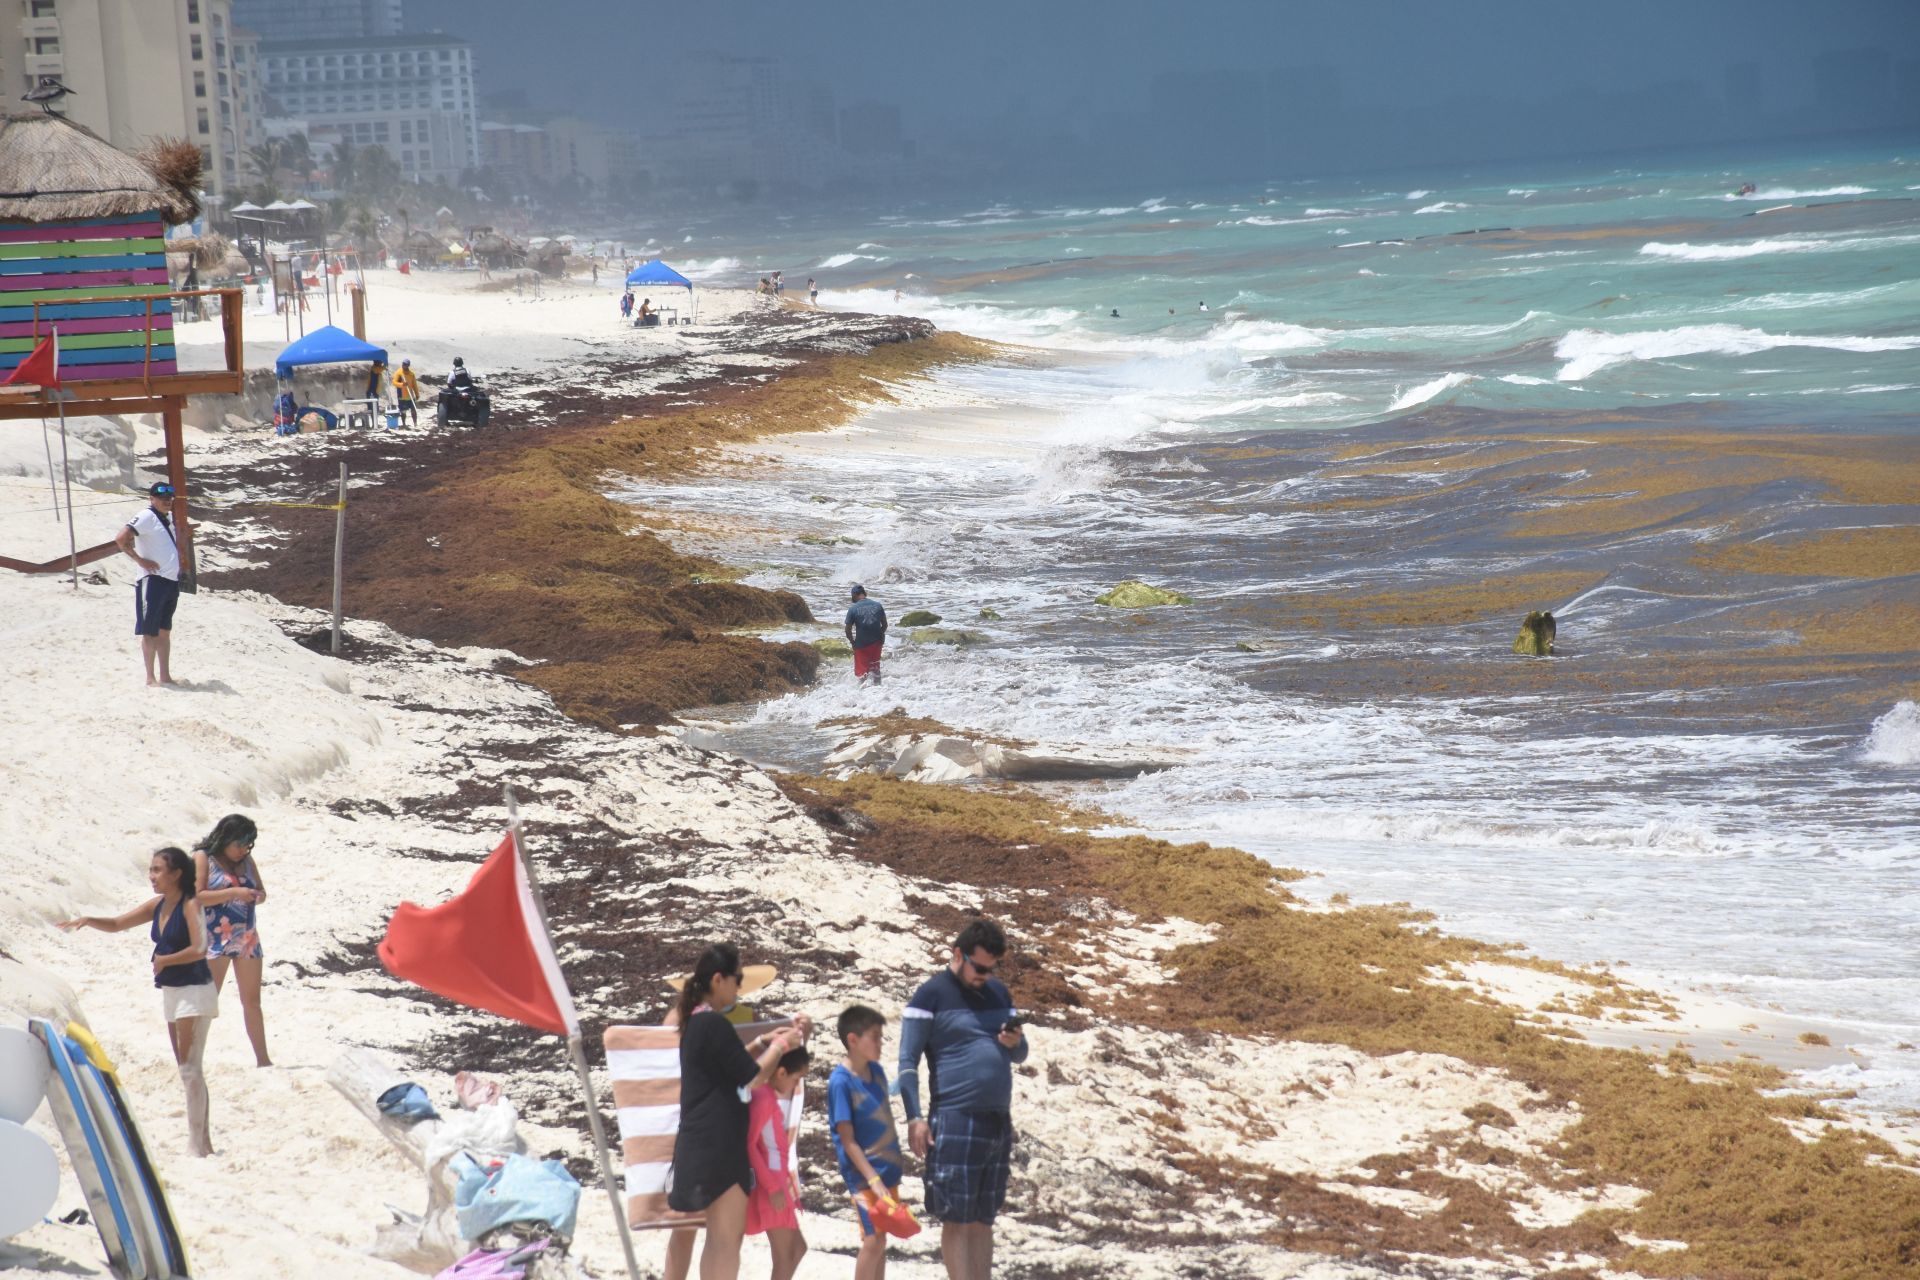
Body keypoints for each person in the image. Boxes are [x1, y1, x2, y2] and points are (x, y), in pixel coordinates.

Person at [59, 847, 218, 1156]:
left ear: (176, 874)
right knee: (186, 1067)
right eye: (151, 869)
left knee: (190, 1068)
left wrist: (165, 960)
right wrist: (90, 920)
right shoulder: (159, 905)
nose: (152, 876)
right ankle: (203, 1142)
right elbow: (119, 924)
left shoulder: (190, 904)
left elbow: (200, 948)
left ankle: (199, 1145)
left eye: (158, 870)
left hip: (195, 990)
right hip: (173, 991)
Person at [897, 919, 1027, 1280]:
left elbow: (1021, 1053)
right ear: (958, 954)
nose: (985, 975)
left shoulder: (999, 993)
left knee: (984, 1218)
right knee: (956, 1216)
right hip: (954, 1119)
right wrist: (914, 1118)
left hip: (998, 1120)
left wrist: (1016, 1043)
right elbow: (907, 1061)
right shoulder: (930, 995)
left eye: (992, 968)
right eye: (979, 967)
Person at [668, 943, 806, 1280]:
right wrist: (780, 1046)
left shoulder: (695, 1023)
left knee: (713, 1240)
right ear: (719, 979)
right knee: (725, 1241)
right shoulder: (714, 1023)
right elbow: (753, 1075)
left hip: (696, 1142)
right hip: (721, 1145)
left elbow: (727, 1064)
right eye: (737, 979)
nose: (739, 987)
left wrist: (761, 1043)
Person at [831, 1005, 907, 1280]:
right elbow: (847, 1140)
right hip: (864, 1176)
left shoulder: (876, 1072)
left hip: (888, 1173)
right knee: (872, 1240)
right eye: (874, 1036)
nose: (880, 1043)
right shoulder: (840, 1082)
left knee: (881, 1240)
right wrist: (872, 1178)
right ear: (853, 1040)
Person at [193, 814, 270, 1067]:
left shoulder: (247, 861)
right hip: (215, 938)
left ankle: (263, 1060)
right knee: (207, 1001)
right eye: (239, 844)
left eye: (248, 845)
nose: (243, 850)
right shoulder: (204, 858)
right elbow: (199, 895)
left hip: (247, 937)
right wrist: (235, 892)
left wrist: (256, 895)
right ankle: (192, 1057)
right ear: (225, 838)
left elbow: (262, 891)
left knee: (252, 1002)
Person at [746, 1046, 810, 1280]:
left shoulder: (767, 1096)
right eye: (796, 1079)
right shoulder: (763, 1098)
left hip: (778, 1181)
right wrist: (772, 1187)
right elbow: (750, 1145)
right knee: (785, 1255)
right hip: (771, 1184)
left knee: (798, 1248)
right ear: (781, 1073)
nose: (796, 1085)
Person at [115, 481, 182, 686]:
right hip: (152, 581)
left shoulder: (167, 518)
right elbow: (121, 538)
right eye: (162, 498)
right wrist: (139, 560)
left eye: (169, 498)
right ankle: (150, 677)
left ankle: (165, 675)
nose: (167, 501)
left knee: (164, 630)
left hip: (170, 581)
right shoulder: (146, 516)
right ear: (152, 499)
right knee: (149, 630)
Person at [844, 584, 887, 686]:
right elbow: (885, 625)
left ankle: (863, 696)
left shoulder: (853, 609)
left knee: (862, 674)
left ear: (854, 595)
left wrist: (852, 642)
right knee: (875, 669)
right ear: (864, 593)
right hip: (877, 642)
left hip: (861, 644)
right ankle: (879, 691)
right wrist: (880, 636)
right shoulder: (878, 605)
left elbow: (847, 630)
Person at [393, 359, 421, 426]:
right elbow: (394, 382)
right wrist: (402, 384)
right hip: (401, 395)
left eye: (406, 364)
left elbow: (414, 385)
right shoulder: (398, 373)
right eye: (403, 364)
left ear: (408, 365)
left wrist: (417, 394)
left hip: (410, 395)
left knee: (413, 410)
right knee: (403, 411)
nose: (404, 365)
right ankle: (404, 424)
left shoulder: (411, 374)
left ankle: (415, 423)